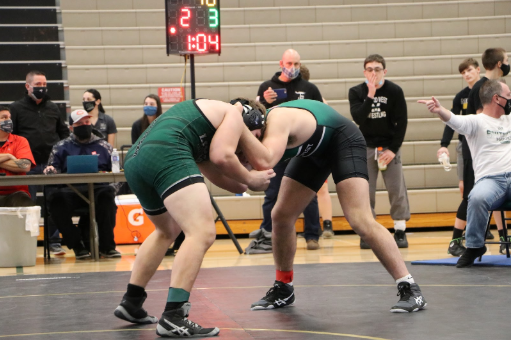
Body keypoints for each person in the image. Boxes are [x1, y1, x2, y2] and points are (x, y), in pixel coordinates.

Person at [239, 99, 427, 313]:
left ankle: (410, 288)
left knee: (359, 219)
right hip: (314, 151)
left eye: (252, 138)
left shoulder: (277, 120)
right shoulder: (251, 130)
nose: (250, 145)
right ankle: (283, 288)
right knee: (281, 216)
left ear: (259, 125)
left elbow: (263, 163)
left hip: (343, 139)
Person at [113, 99, 275, 338]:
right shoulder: (234, 112)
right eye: (254, 138)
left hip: (137, 161)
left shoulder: (206, 124)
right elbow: (223, 157)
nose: (248, 152)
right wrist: (251, 179)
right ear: (250, 123)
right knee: (201, 232)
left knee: (166, 231)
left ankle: (132, 301)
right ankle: (174, 315)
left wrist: (246, 184)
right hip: (167, 152)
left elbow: (215, 171)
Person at [418, 79, 511, 268]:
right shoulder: (475, 122)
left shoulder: (509, 118)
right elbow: (454, 120)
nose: (510, 99)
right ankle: (475, 246)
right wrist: (439, 110)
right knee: (476, 197)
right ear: (497, 98)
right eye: (508, 96)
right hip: (491, 181)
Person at [255, 49, 324, 250]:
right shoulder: (267, 87)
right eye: (289, 63)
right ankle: (269, 234)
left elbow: (320, 114)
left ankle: (312, 235)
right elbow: (257, 117)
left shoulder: (309, 88)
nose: (292, 68)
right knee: (273, 192)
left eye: (296, 64)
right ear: (281, 63)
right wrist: (264, 102)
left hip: (304, 148)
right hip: (277, 149)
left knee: (308, 193)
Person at [349, 54, 410, 249]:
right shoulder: (356, 91)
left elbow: (402, 122)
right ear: (364, 72)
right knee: (366, 192)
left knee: (396, 189)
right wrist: (370, 93)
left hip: (389, 148)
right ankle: (367, 232)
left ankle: (400, 230)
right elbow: (359, 117)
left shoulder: (395, 91)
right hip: (366, 146)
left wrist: (393, 149)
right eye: (369, 69)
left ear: (385, 71)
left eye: (377, 69)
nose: (373, 72)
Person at [44, 109, 121, 259]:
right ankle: (77, 245)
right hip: (69, 192)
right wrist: (51, 169)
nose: (85, 125)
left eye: (87, 122)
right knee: (56, 203)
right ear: (72, 127)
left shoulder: (105, 146)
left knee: (107, 198)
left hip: (99, 190)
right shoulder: (60, 147)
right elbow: (52, 169)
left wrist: (112, 189)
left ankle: (107, 247)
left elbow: (116, 173)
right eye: (80, 123)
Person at [10, 70, 70, 255]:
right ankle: (27, 244)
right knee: (28, 204)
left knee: (55, 203)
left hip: (51, 165)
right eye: (38, 85)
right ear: (28, 86)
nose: (42, 88)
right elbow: (12, 136)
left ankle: (54, 242)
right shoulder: (16, 108)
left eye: (44, 85)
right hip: (28, 166)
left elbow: (63, 133)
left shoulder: (53, 107)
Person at [464, 48, 510, 250]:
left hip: (501, 150)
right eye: (507, 59)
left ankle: (502, 238)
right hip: (482, 150)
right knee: (476, 195)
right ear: (500, 63)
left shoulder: (502, 87)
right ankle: (465, 241)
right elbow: (483, 124)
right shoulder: (480, 89)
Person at [130, 95, 184, 256]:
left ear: (158, 106)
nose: (148, 106)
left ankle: (179, 242)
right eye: (145, 103)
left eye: (151, 104)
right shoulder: (137, 125)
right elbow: (135, 148)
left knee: (174, 207)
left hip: (165, 167)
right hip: (146, 168)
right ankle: (162, 242)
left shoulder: (164, 122)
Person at [437, 58, 480, 256]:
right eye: (463, 72)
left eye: (469, 70)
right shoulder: (461, 97)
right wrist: (444, 145)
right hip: (467, 146)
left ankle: (501, 235)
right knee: (468, 191)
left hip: (487, 146)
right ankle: (456, 239)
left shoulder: (487, 91)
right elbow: (451, 122)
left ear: (478, 70)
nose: (467, 74)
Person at [300, 65, 334, 238]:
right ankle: (326, 224)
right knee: (321, 190)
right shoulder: (318, 96)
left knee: (310, 190)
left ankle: (317, 226)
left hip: (312, 147)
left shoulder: (312, 95)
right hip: (320, 145)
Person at [0, 106, 36, 207]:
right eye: (4, 118)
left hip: (16, 192)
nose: (8, 121)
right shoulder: (9, 155)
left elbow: (25, 166)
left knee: (25, 205)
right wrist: (8, 156)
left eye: (9, 117)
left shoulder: (20, 141)